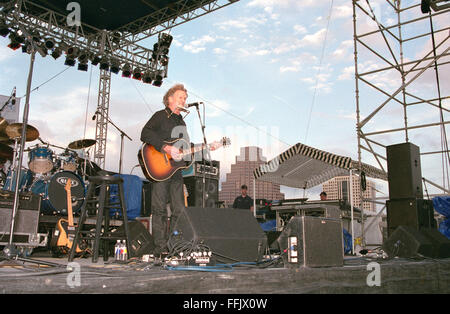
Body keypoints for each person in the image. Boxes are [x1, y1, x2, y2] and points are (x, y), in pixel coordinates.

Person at [140, 84, 218, 256]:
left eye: (185, 98)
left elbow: (185, 149)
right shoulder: (160, 116)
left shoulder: (182, 122)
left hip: (176, 171)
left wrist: (206, 147)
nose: (184, 100)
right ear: (170, 99)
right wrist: (165, 148)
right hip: (159, 167)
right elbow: (145, 133)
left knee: (179, 209)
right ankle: (159, 248)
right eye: (181, 97)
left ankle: (173, 246)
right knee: (159, 208)